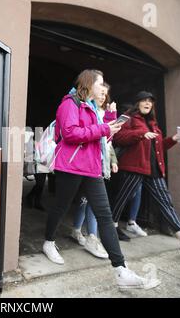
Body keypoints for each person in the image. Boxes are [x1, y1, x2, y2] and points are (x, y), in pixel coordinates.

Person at [43, 70, 160, 289]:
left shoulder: (95, 109)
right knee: (61, 206)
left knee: (105, 216)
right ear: (88, 83)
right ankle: (48, 242)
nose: (102, 87)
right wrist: (103, 126)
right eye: (99, 83)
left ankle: (121, 270)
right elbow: (70, 133)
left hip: (92, 168)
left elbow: (102, 138)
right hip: (72, 166)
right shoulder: (70, 104)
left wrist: (108, 121)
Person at [111, 91, 180, 256]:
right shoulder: (129, 118)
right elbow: (118, 137)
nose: (148, 103)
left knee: (166, 203)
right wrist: (140, 134)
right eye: (144, 101)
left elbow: (158, 147)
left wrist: (173, 139)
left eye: (150, 101)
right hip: (135, 167)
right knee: (123, 197)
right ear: (137, 103)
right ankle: (113, 227)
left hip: (154, 169)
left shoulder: (153, 123)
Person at [71, 82, 118, 259]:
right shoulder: (87, 110)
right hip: (85, 164)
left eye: (105, 94)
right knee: (83, 202)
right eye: (101, 92)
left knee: (93, 203)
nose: (102, 96)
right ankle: (76, 229)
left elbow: (109, 142)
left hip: (99, 165)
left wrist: (113, 160)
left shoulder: (105, 115)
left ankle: (91, 236)